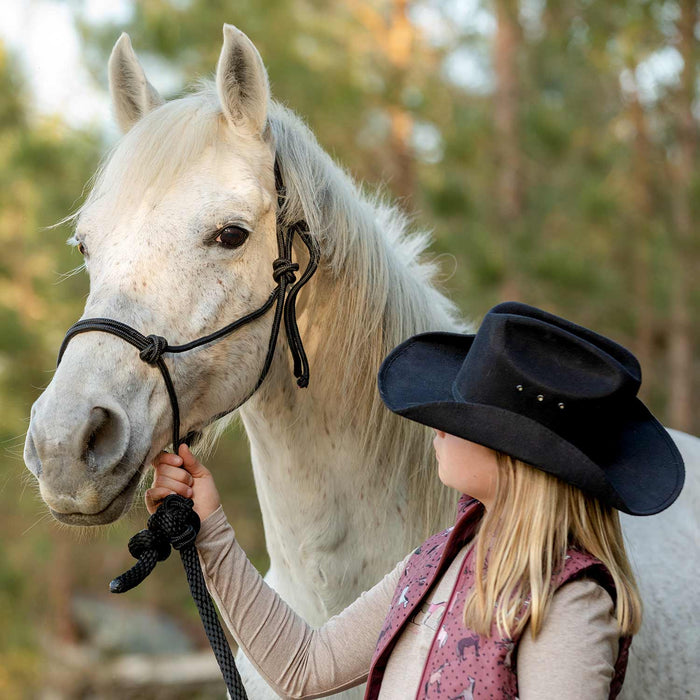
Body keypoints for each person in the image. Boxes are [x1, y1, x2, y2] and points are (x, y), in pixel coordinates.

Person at [145, 301, 685, 699]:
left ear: (521, 455)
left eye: (460, 418)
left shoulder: (566, 605)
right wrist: (209, 526)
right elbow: (303, 667)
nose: (437, 426)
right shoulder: (438, 561)